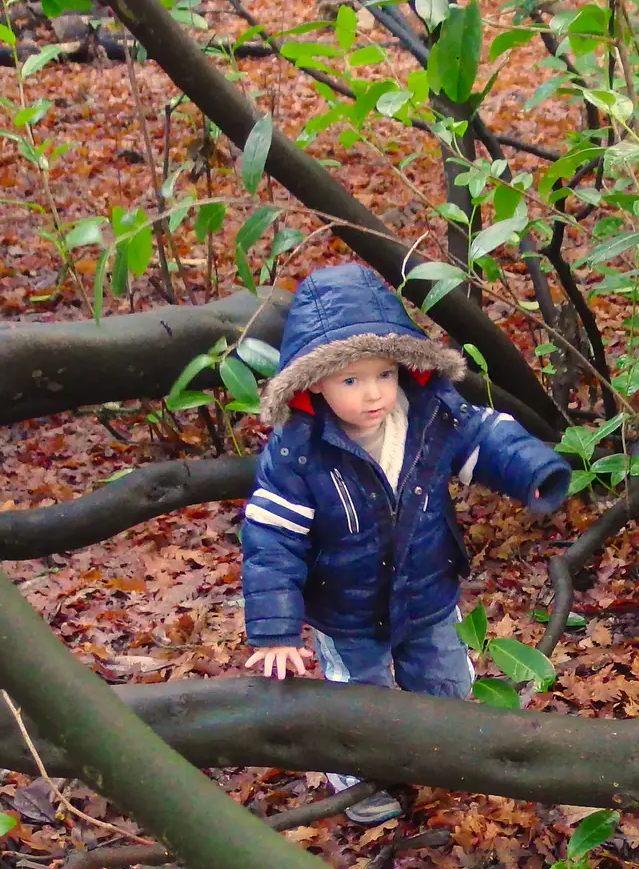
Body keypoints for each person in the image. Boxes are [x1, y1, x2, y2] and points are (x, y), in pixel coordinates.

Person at [240, 263, 571, 824]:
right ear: (313, 382)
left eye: (385, 374)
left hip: (426, 588)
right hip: (345, 606)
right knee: (358, 699)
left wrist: (531, 466)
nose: (373, 394)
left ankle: (448, 752)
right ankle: (367, 778)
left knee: (441, 676)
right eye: (351, 380)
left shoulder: (428, 416)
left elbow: (484, 438)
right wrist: (275, 629)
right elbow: (271, 539)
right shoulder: (299, 452)